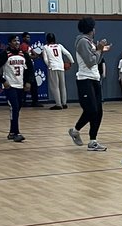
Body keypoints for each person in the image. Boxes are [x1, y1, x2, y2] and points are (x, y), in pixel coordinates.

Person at [68, 16, 111, 152]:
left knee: (99, 111)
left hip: (94, 78)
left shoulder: (90, 42)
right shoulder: (82, 41)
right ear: (92, 28)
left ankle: (93, 141)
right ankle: (75, 130)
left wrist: (101, 50)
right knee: (91, 110)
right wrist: (99, 49)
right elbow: (90, 61)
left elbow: (96, 61)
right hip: (84, 79)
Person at [0, 34, 32, 142]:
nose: (17, 42)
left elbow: (30, 69)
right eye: (14, 41)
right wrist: (3, 81)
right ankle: (17, 133)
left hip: (21, 86)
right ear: (9, 43)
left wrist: (28, 82)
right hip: (10, 86)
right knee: (14, 108)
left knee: (17, 109)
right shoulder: (5, 54)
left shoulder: (24, 54)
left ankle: (12, 132)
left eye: (18, 40)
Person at [42, 32, 72, 110]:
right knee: (62, 86)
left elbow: (45, 58)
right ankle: (64, 103)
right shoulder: (59, 46)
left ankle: (58, 104)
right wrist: (72, 62)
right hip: (61, 66)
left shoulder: (45, 47)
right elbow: (68, 53)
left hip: (53, 67)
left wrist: (49, 65)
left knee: (55, 86)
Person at [19, 32, 43, 107]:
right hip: (26, 67)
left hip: (30, 67)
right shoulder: (23, 46)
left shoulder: (28, 46)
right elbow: (26, 56)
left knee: (33, 85)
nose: (28, 39)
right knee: (26, 84)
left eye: (29, 37)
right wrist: (34, 56)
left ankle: (34, 101)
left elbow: (35, 54)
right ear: (23, 38)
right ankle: (23, 101)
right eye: (27, 37)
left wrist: (35, 55)